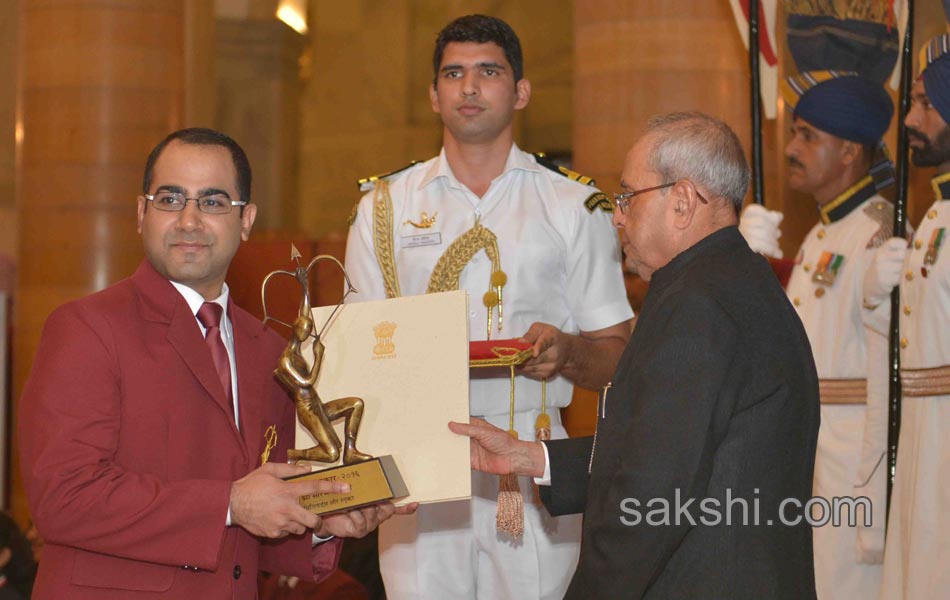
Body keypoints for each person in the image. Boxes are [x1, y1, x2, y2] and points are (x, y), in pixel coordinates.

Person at [18, 128, 407, 599]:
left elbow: (253, 529)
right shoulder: (86, 328)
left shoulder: (268, 348)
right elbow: (65, 498)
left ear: (246, 220)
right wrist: (231, 503)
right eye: (170, 198)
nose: (189, 220)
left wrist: (321, 521)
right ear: (142, 213)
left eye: (213, 202)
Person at [451, 112, 820, 599]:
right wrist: (532, 457)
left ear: (683, 202)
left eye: (627, 196)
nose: (617, 215)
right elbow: (668, 448)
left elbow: (652, 496)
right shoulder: (734, 282)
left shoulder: (698, 305)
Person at [343, 13, 633, 600]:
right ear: (433, 94)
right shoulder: (384, 207)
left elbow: (620, 355)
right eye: (453, 73)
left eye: (488, 71)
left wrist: (568, 353)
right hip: (415, 457)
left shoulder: (574, 205)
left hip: (531, 449)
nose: (469, 87)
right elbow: (356, 353)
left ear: (521, 90)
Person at [738, 71, 895, 598]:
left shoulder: (879, 233)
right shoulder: (823, 232)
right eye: (794, 133)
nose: (790, 148)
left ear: (850, 150)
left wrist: (873, 485)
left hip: (852, 456)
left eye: (809, 136)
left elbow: (882, 370)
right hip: (812, 446)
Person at [863, 34, 950, 599]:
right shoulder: (937, 212)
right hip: (922, 432)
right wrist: (874, 294)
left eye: (925, 103)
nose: (911, 119)